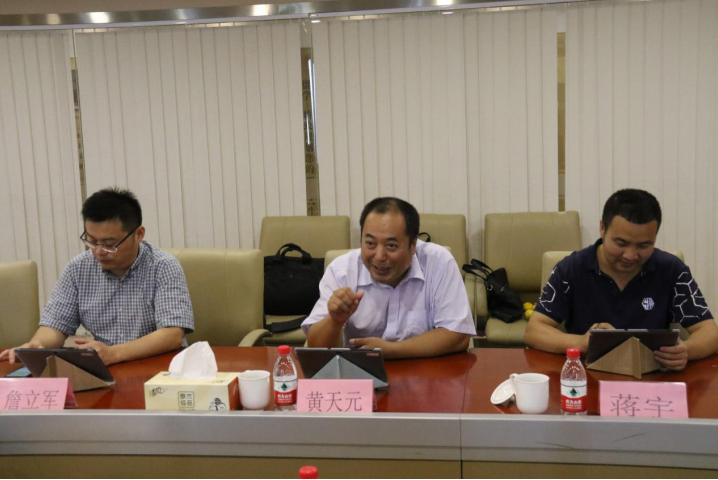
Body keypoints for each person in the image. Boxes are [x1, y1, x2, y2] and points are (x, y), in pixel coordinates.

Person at [524, 189, 718, 371]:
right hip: (587, 375)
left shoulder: (671, 270)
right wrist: (580, 343)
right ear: (602, 228)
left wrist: (686, 350)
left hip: (652, 375)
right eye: (621, 243)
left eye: (643, 245)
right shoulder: (571, 269)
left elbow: (710, 332)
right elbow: (534, 331)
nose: (630, 255)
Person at [0, 187, 194, 366]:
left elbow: (172, 334)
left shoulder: (163, 266)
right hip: (106, 369)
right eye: (92, 241)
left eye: (109, 244)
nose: (99, 251)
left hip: (159, 367)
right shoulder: (79, 268)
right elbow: (55, 326)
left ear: (139, 234)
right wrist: (36, 347)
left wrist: (114, 353)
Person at [302, 197, 476, 358]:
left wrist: (391, 350)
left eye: (391, 246)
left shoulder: (438, 262)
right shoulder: (342, 271)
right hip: (362, 375)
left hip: (427, 370)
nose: (379, 256)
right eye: (370, 243)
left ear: (413, 245)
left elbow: (458, 335)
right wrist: (334, 321)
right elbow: (316, 349)